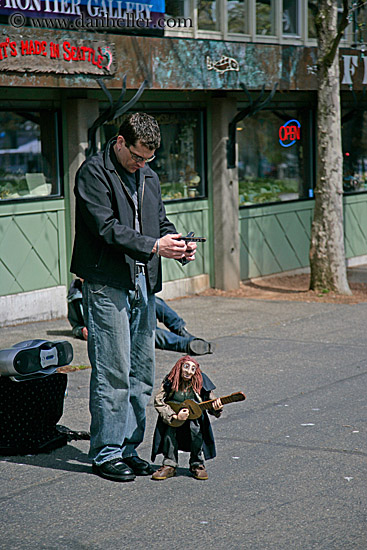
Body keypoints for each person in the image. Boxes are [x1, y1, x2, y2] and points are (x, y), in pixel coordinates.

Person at [70, 112, 197, 482]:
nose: (142, 164)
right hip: (106, 281)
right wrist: (155, 245)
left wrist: (178, 243)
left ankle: (128, 449)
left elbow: (160, 222)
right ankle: (106, 453)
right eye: (137, 156)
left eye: (148, 160)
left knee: (141, 372)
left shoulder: (149, 175)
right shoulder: (93, 172)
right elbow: (106, 229)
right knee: (113, 372)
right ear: (120, 141)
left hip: (144, 281)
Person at [67, 280, 214, 355]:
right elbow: (75, 326)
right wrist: (81, 331)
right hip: (123, 327)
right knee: (151, 334)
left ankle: (181, 330)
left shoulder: (111, 284)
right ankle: (187, 344)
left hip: (136, 313)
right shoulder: (75, 298)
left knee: (154, 301)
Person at [151, 355, 223, 481]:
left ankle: (197, 463)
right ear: (180, 367)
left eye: (192, 369)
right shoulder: (171, 379)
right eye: (186, 367)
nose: (189, 371)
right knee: (169, 435)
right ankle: (169, 464)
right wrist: (172, 415)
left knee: (197, 435)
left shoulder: (200, 381)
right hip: (174, 414)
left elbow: (210, 400)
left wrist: (216, 408)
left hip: (194, 416)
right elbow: (159, 400)